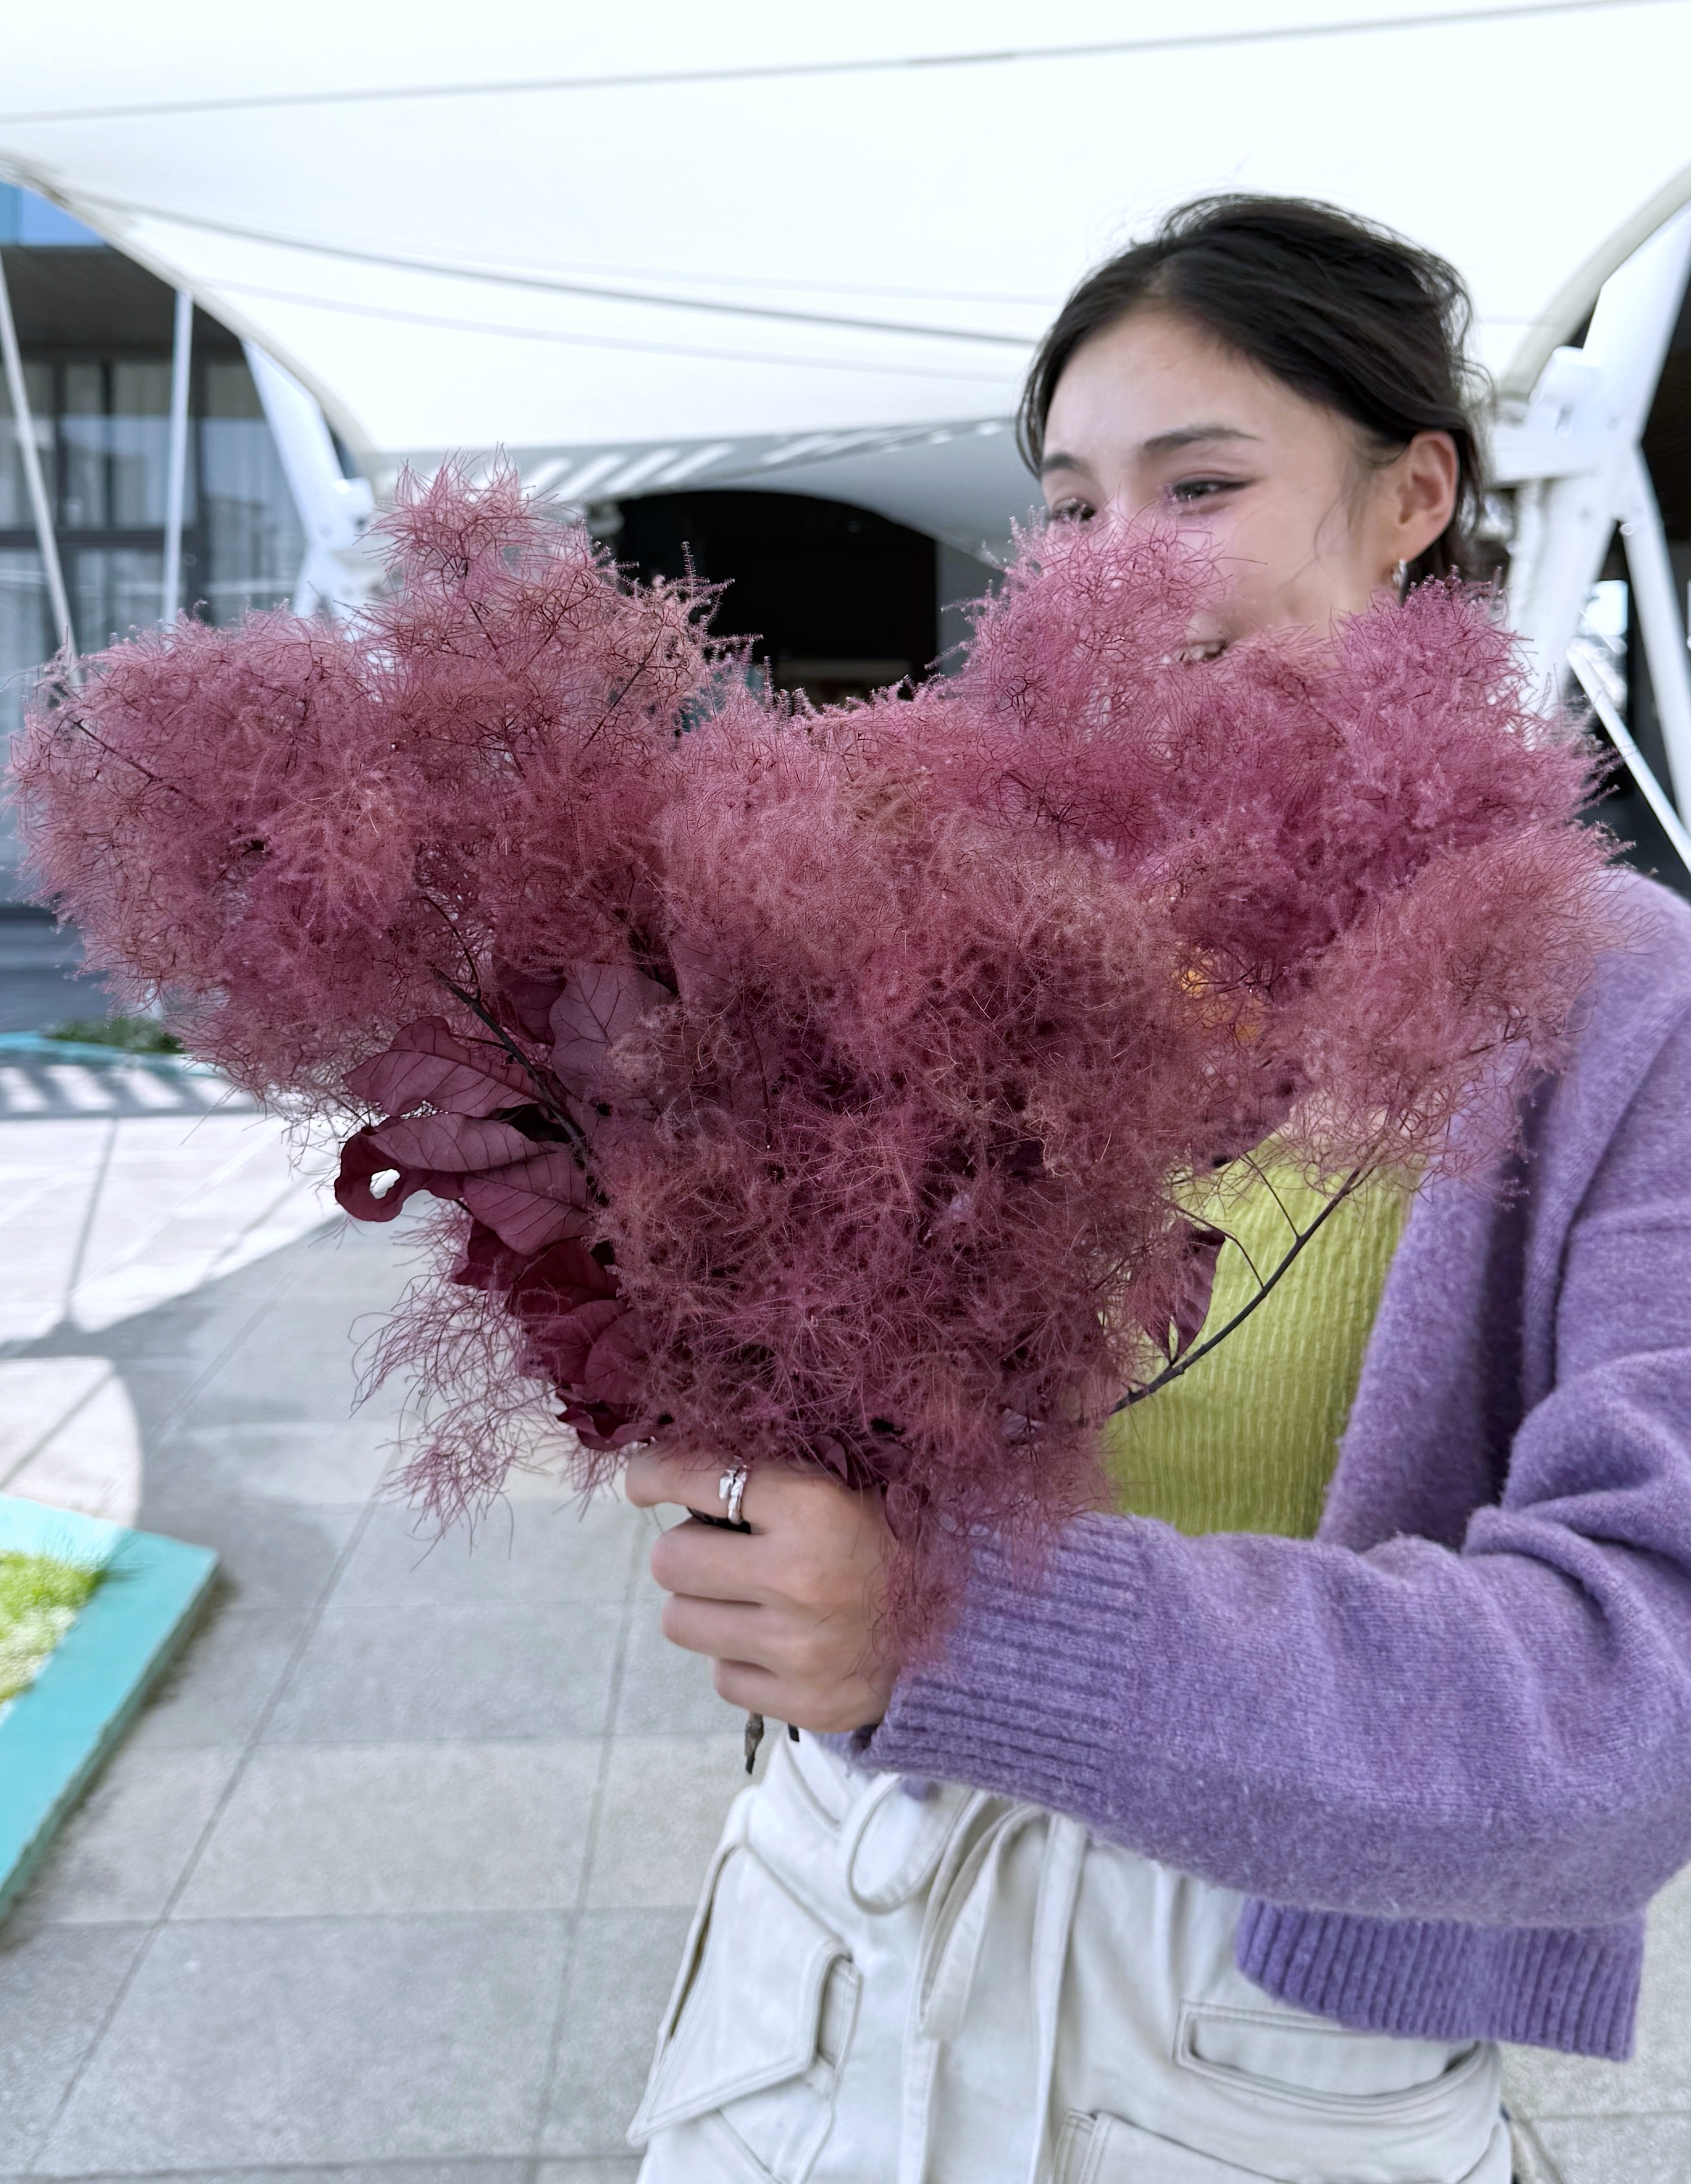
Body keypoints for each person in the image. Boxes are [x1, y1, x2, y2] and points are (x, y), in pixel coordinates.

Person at [621, 195, 1691, 2183]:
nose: (1119, 575)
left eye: (1199, 487)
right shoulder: (961, 935)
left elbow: (1637, 1706)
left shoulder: (1616, 1001)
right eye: (1073, 509)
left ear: (1410, 498)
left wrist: (958, 1631)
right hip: (821, 1962)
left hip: (1259, 2055)